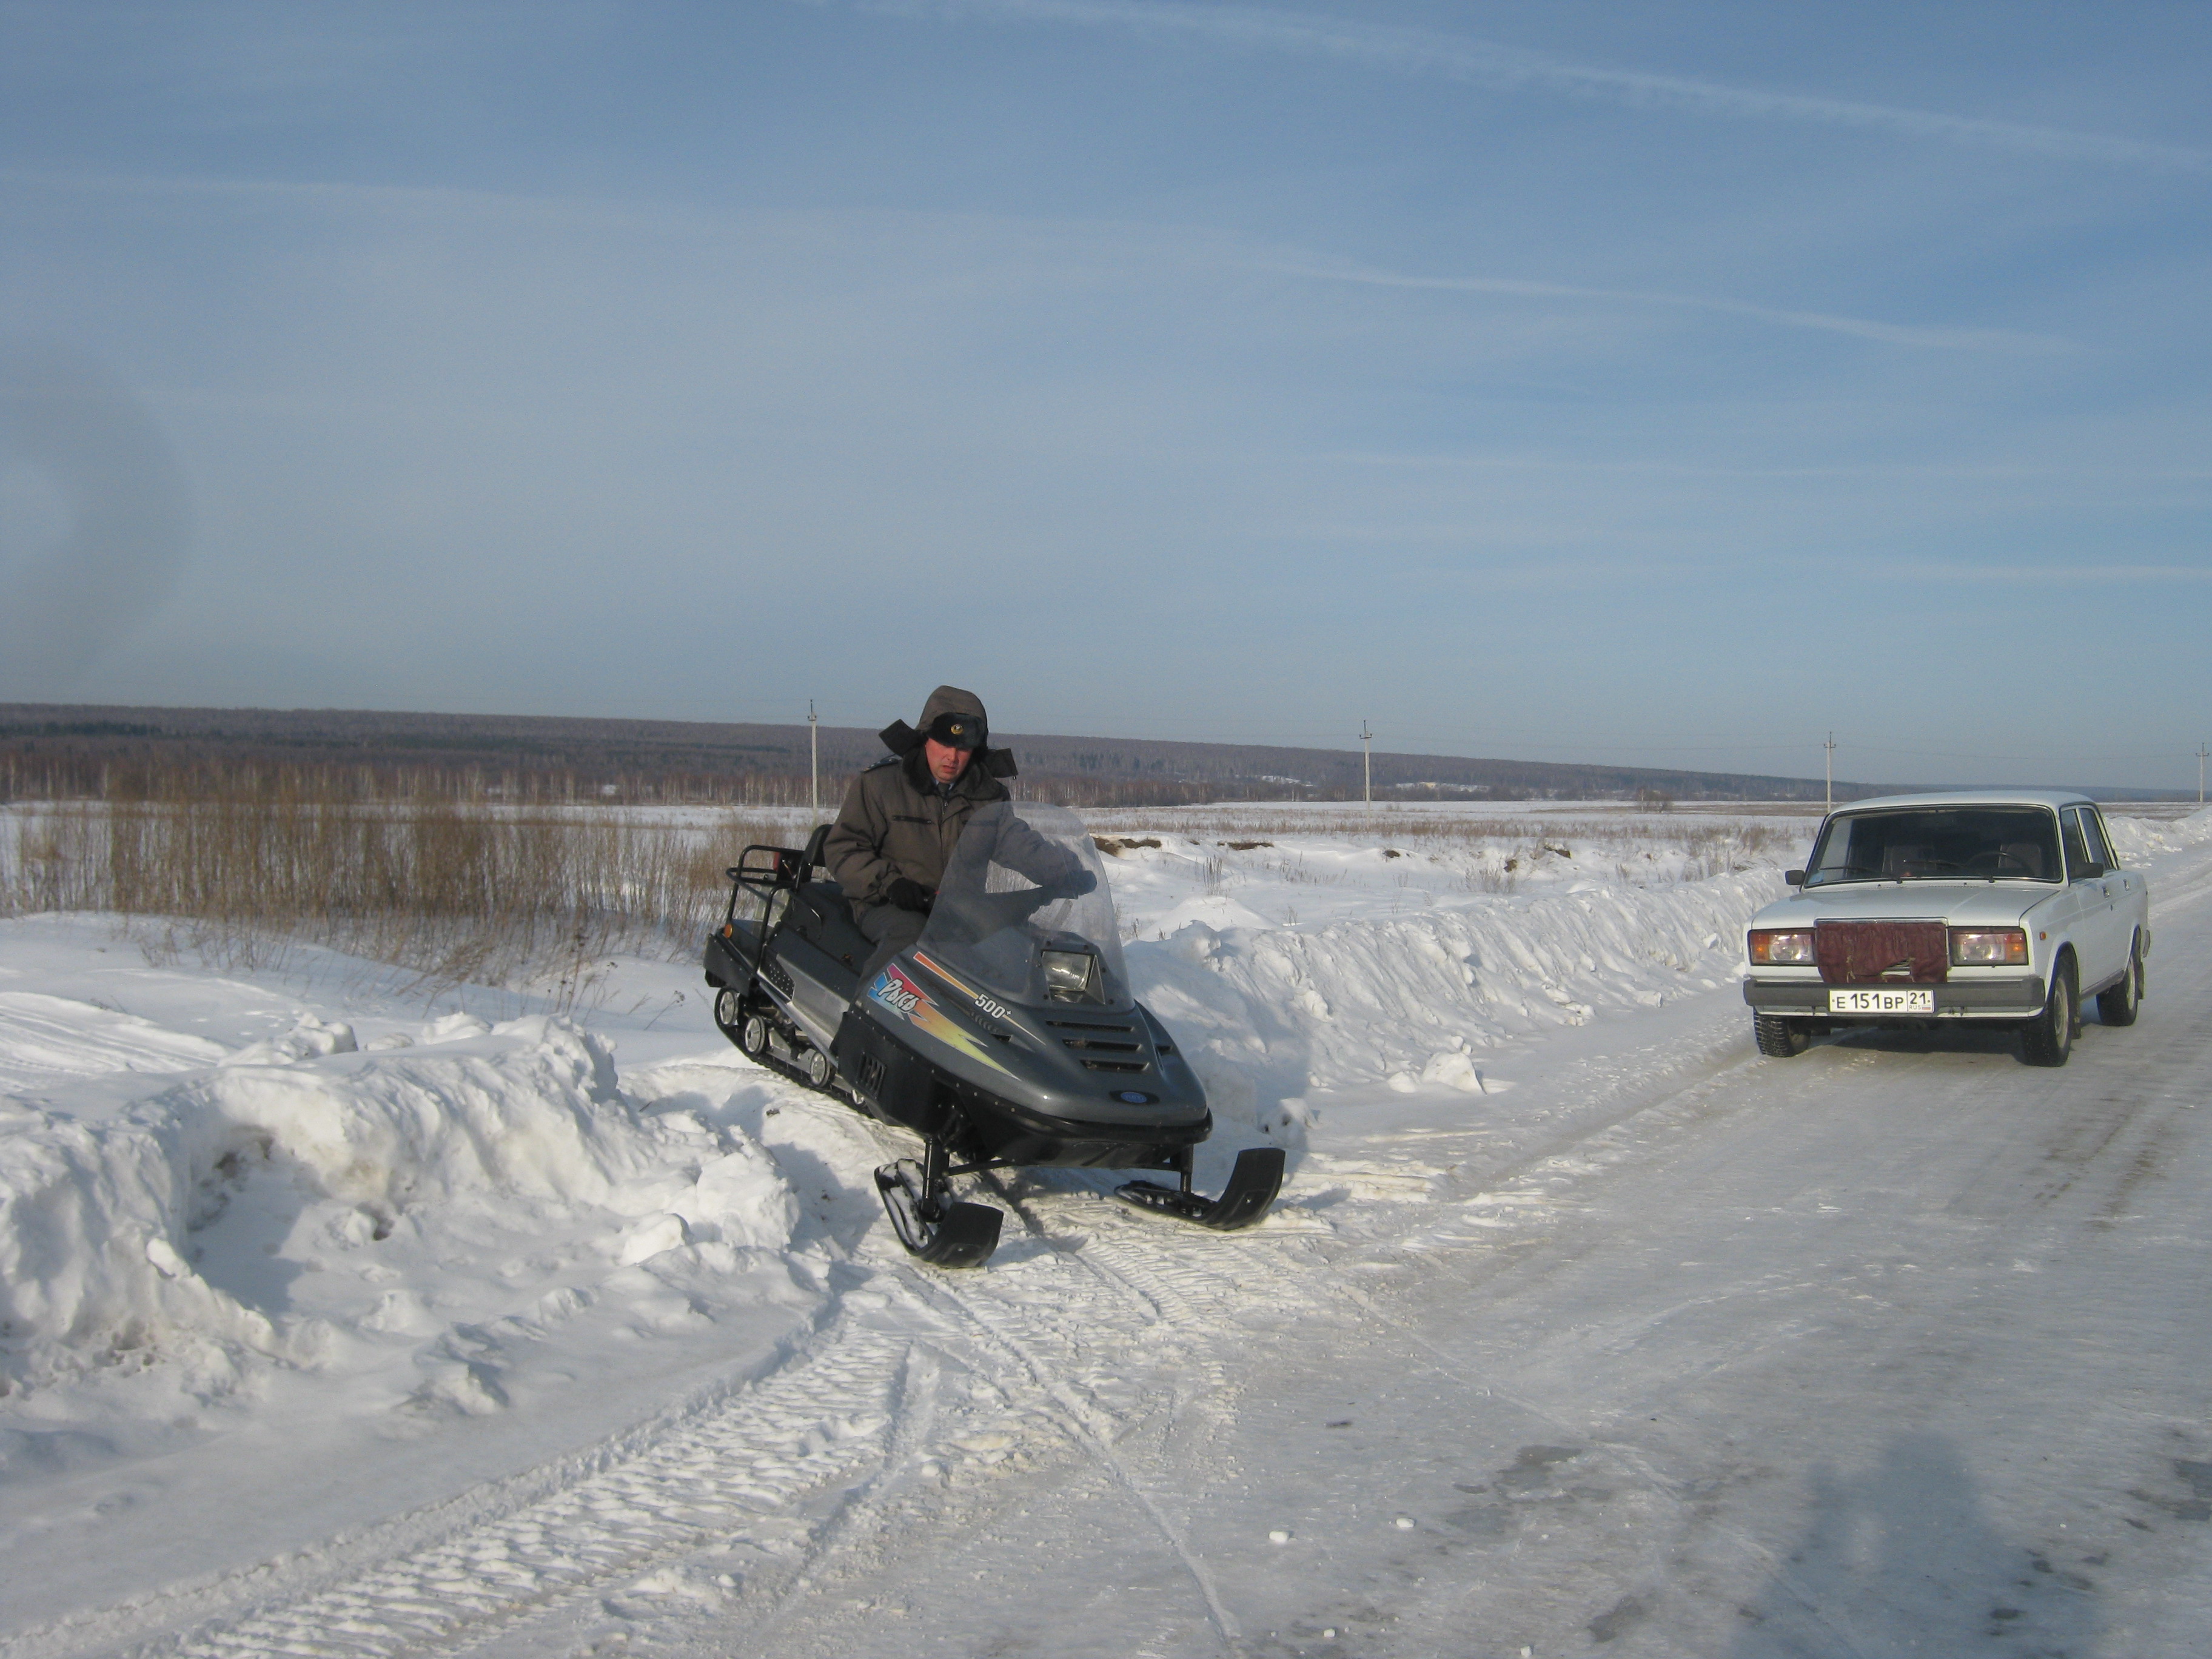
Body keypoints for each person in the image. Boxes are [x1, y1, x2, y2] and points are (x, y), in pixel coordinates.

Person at [824, 685, 1025, 974]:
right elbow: (843, 848)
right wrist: (891, 884)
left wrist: (1064, 869)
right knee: (911, 939)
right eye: (944, 743)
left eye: (963, 747)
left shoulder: (989, 797)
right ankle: (865, 1015)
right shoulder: (881, 785)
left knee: (1015, 948)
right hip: (887, 904)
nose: (952, 757)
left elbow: (1016, 842)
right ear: (925, 738)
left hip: (958, 910)